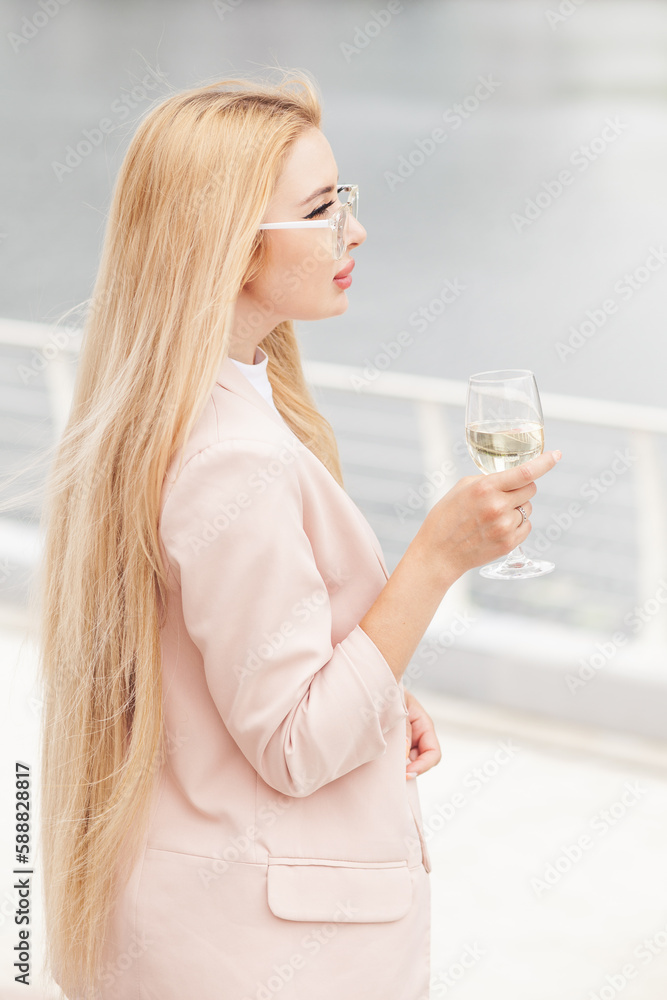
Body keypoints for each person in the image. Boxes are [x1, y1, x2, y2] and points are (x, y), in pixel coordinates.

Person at [36, 71, 561, 1000]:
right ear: (235, 249)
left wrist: (373, 689)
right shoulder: (232, 456)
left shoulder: (178, 414)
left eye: (344, 201)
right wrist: (436, 560)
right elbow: (295, 743)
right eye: (321, 209)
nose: (352, 231)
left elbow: (213, 672)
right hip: (271, 958)